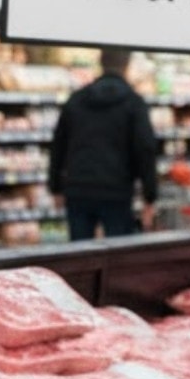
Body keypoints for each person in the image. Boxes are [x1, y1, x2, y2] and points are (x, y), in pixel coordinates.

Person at [48, 48, 160, 242]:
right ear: (127, 65)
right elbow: (145, 150)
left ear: (101, 62)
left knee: (80, 255)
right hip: (117, 191)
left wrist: (55, 187)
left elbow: (58, 144)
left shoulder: (77, 99)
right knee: (119, 256)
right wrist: (150, 196)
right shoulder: (134, 103)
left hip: (78, 189)